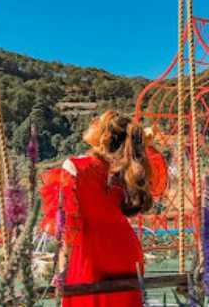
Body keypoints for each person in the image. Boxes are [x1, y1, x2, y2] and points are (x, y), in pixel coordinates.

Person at [40, 110, 167, 307]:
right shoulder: (128, 172)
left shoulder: (74, 167)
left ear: (101, 136)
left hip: (91, 254)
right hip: (126, 254)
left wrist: (61, 271)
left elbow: (65, 227)